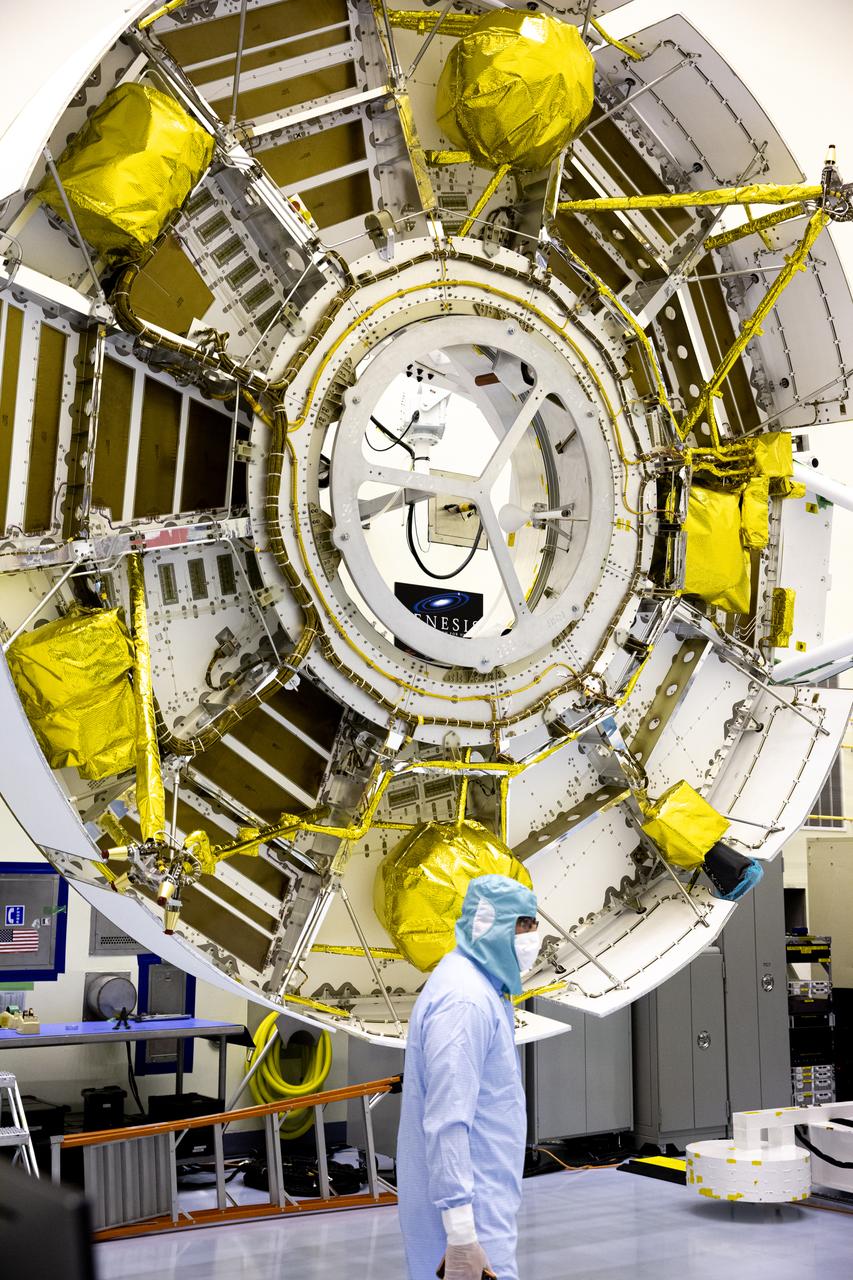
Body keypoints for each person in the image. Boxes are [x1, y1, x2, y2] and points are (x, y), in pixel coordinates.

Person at [397, 873, 541, 1280]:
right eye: (524, 926)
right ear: (492, 925)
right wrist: (461, 1235)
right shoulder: (464, 1001)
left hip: (478, 1204)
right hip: (469, 1215)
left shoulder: (476, 986)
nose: (532, 938)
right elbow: (447, 1120)